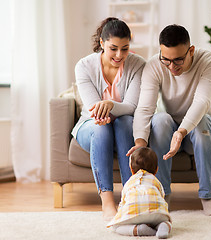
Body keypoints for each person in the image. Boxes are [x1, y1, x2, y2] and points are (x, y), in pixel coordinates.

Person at [127, 24, 211, 216]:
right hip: (170, 129)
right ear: (160, 52)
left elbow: (202, 101)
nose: (172, 67)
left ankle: (207, 197)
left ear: (191, 51)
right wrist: (140, 143)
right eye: (166, 60)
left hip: (199, 127)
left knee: (202, 123)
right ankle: (163, 196)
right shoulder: (154, 65)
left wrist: (181, 132)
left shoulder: (210, 60)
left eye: (178, 60)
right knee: (160, 120)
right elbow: (146, 107)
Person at [72, 17, 145, 221]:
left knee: (125, 122)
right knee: (101, 128)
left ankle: (130, 196)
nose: (119, 55)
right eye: (113, 48)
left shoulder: (138, 65)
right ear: (102, 43)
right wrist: (105, 111)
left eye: (125, 48)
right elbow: (93, 109)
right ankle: (107, 202)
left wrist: (111, 105)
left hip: (123, 124)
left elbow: (131, 106)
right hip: (91, 125)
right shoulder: (84, 66)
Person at [108, 147, 172, 239]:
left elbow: (123, 204)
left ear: (131, 169)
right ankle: (163, 225)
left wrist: (119, 217)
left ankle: (138, 230)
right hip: (157, 213)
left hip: (134, 214)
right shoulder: (156, 181)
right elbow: (161, 198)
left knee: (115, 227)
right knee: (166, 221)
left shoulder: (129, 182)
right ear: (156, 169)